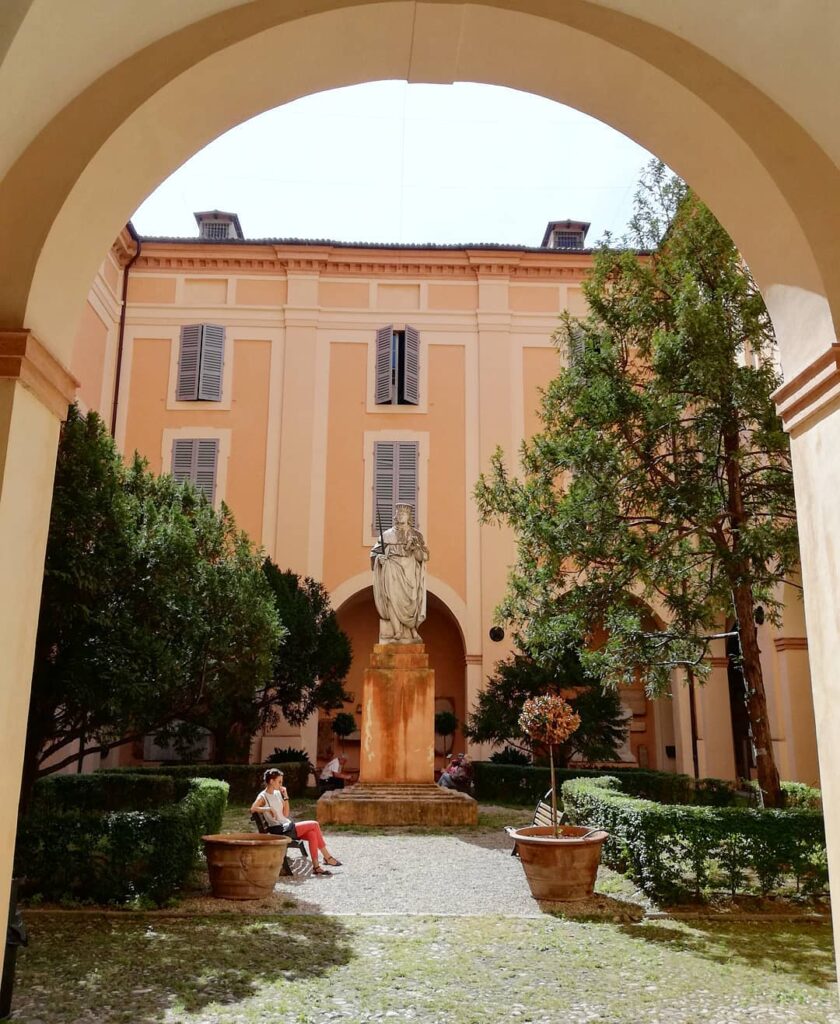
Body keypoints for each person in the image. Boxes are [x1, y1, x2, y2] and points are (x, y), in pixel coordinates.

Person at [251, 768, 342, 874]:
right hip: (280, 830)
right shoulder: (263, 796)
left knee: (312, 833)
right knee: (314, 824)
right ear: (271, 781)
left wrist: (285, 797)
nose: (281, 784)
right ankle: (327, 857)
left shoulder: (277, 793)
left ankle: (316, 867)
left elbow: (285, 814)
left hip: (286, 826)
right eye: (279, 781)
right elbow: (253, 808)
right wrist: (268, 809)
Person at [370, 503, 429, 644]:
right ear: (396, 516)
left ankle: (412, 629)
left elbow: (423, 557)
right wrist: (380, 558)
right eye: (399, 513)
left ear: (409, 517)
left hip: (410, 571)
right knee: (391, 598)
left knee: (413, 601)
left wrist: (415, 549)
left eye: (404, 513)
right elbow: (375, 553)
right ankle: (397, 632)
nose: (401, 515)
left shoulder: (416, 535)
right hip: (392, 568)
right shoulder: (387, 535)